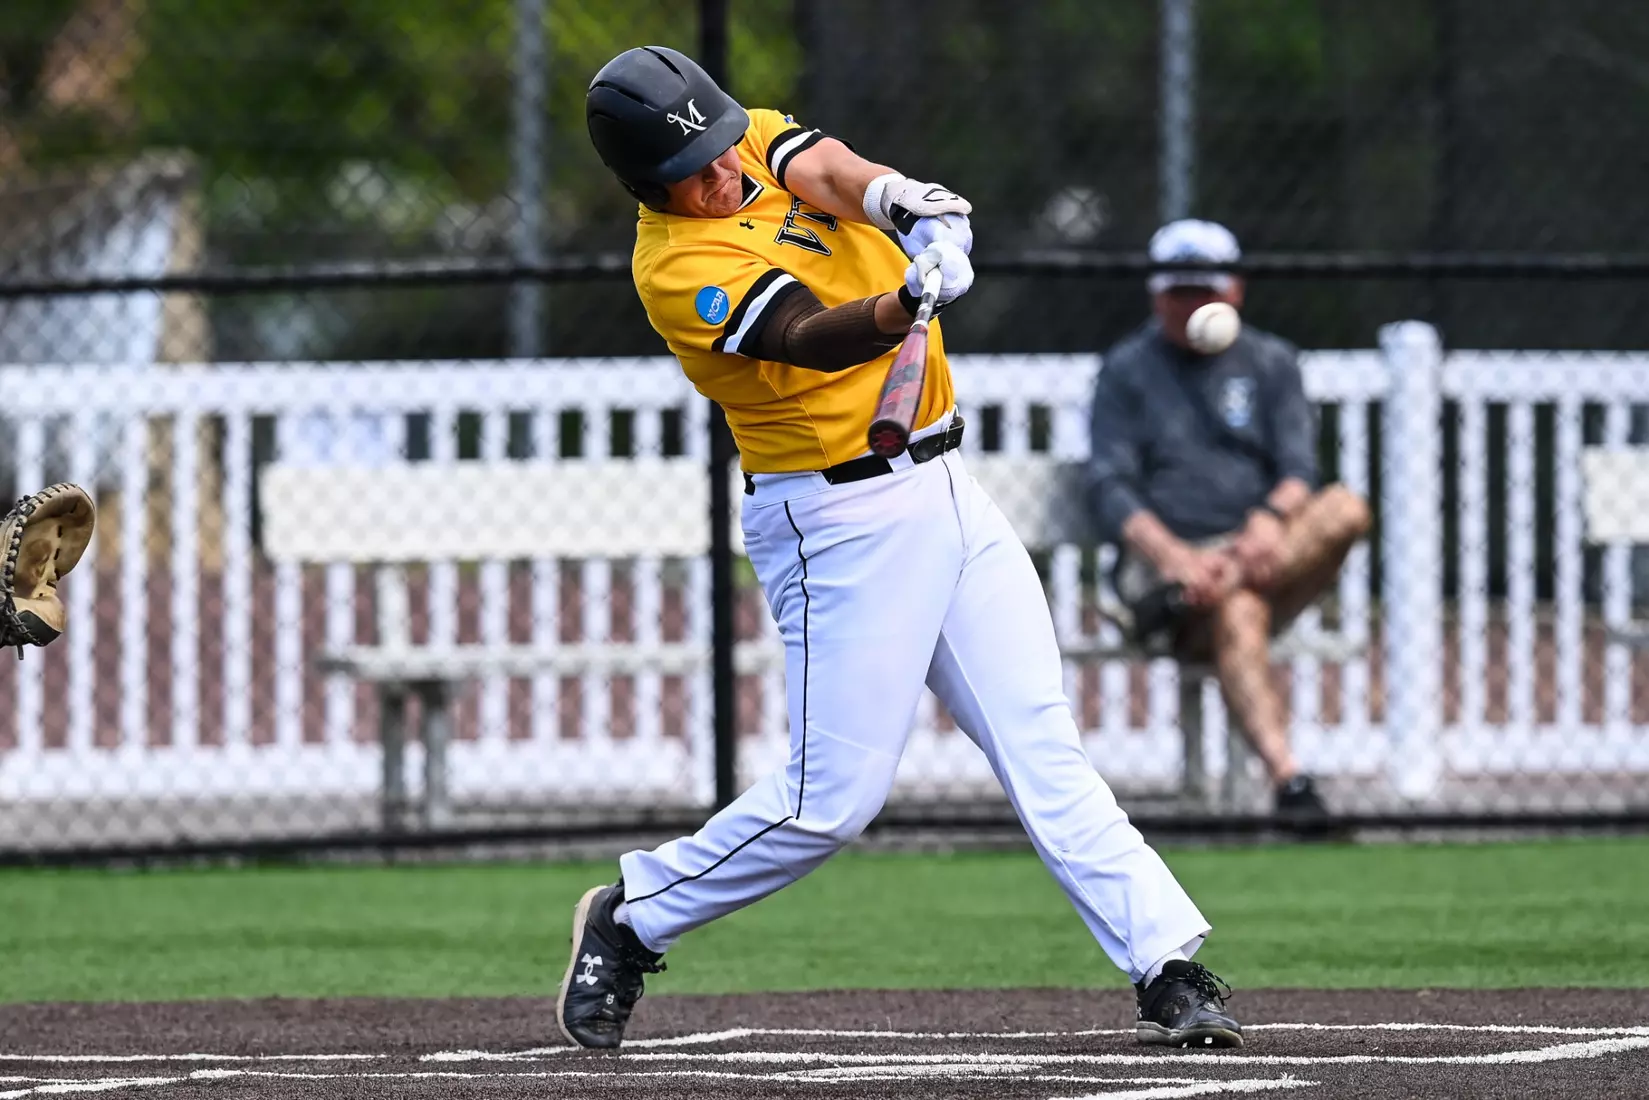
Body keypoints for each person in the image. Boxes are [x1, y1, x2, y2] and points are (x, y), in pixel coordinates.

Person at [559, 45, 1243, 1053]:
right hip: (834, 523)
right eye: (693, 172)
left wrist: (902, 200)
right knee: (826, 801)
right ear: (640, 187)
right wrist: (907, 302)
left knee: (1037, 738)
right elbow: (808, 333)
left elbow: (825, 167)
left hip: (945, 486)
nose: (721, 172)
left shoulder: (735, 137)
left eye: (716, 147)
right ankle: (634, 913)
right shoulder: (677, 269)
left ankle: (1162, 962)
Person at [1086, 219, 1372, 818]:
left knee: (1345, 507)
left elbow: (1299, 473)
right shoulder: (1126, 369)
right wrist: (1177, 559)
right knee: (1237, 611)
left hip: (1259, 556)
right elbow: (1111, 489)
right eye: (1179, 292)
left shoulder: (1271, 362)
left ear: (1234, 292)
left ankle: (1222, 585)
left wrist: (1268, 521)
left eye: (1205, 291)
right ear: (1156, 296)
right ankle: (1291, 781)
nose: (1193, 306)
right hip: (1164, 567)